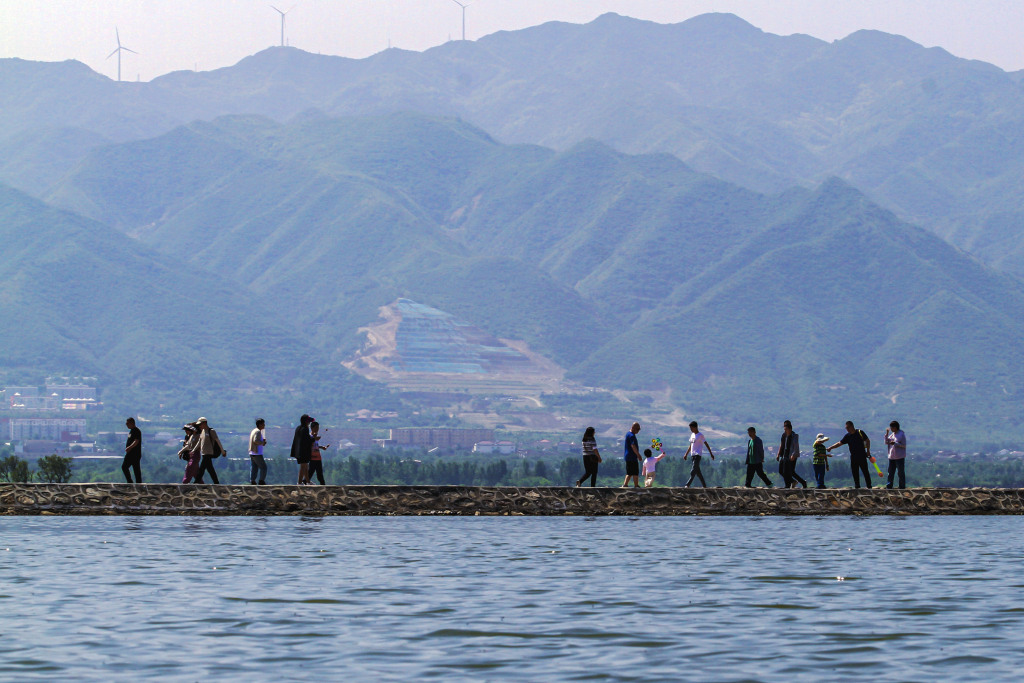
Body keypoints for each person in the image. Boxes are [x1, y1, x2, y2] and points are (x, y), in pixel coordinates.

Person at [827, 421, 872, 489]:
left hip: (862, 455)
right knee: (855, 472)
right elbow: (839, 443)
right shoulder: (848, 436)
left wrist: (868, 451)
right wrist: (831, 447)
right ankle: (857, 486)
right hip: (853, 456)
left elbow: (867, 440)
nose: (847, 429)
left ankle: (869, 486)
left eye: (848, 427)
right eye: (846, 428)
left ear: (852, 426)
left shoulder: (860, 432)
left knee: (865, 471)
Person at [194, 417, 225, 485]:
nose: (199, 426)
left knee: (202, 468)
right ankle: (216, 482)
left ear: (205, 423)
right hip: (203, 453)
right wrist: (193, 450)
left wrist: (222, 451)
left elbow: (217, 441)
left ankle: (196, 482)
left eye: (200, 424)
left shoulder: (211, 431)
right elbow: (199, 442)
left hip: (209, 453)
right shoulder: (202, 432)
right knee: (210, 469)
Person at [777, 420, 807, 488]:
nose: (785, 430)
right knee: (782, 471)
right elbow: (781, 445)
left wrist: (794, 454)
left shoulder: (794, 436)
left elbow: (796, 446)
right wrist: (778, 454)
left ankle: (787, 485)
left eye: (786, 429)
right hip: (784, 455)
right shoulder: (784, 435)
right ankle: (795, 481)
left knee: (787, 472)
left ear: (790, 429)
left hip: (791, 456)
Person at [683, 421, 714, 487]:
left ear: (695, 427)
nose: (691, 430)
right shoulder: (692, 435)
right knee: (698, 473)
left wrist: (711, 453)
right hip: (693, 455)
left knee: (693, 470)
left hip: (697, 455)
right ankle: (704, 486)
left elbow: (706, 444)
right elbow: (690, 445)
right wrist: (686, 454)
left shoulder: (700, 435)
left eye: (692, 428)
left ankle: (687, 485)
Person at [290, 414, 313, 485]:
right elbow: (306, 440)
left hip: (297, 451)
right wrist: (314, 439)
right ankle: (299, 482)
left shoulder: (298, 428)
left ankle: (308, 481)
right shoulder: (305, 429)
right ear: (306, 422)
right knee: (303, 466)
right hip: (303, 451)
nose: (309, 423)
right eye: (308, 421)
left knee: (306, 466)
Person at [884, 421, 907, 489]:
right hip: (892, 457)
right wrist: (887, 434)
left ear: (895, 427)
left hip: (899, 457)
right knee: (890, 472)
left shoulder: (901, 435)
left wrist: (895, 444)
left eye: (892, 428)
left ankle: (902, 486)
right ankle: (889, 485)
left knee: (900, 472)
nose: (891, 429)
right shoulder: (892, 435)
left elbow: (904, 445)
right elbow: (886, 442)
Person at [122, 417, 142, 483]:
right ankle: (130, 482)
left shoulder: (136, 431)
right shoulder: (131, 431)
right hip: (130, 453)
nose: (126, 425)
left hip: (134, 454)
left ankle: (137, 483)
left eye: (127, 423)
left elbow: (136, 441)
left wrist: (129, 447)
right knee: (125, 467)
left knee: (134, 469)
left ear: (132, 423)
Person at [621, 422, 642, 488]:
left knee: (629, 472)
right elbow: (633, 445)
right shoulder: (631, 436)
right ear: (633, 428)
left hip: (628, 456)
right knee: (635, 472)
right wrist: (638, 454)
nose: (638, 431)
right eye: (637, 429)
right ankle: (636, 485)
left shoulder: (628, 434)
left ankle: (625, 484)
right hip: (632, 456)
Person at [308, 421, 329, 485]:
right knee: (310, 473)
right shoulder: (309, 436)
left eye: (318, 428)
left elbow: (315, 446)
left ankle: (324, 487)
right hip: (312, 458)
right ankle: (304, 482)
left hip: (318, 458)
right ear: (311, 428)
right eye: (316, 428)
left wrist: (322, 447)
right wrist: (314, 438)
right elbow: (309, 446)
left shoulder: (315, 437)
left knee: (320, 475)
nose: (317, 429)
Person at [249, 418, 268, 485]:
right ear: (260, 425)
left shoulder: (254, 430)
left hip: (252, 452)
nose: (264, 425)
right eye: (263, 424)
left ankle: (252, 480)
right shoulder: (258, 432)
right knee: (263, 467)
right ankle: (261, 480)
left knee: (254, 467)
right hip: (257, 453)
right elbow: (255, 440)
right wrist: (262, 443)